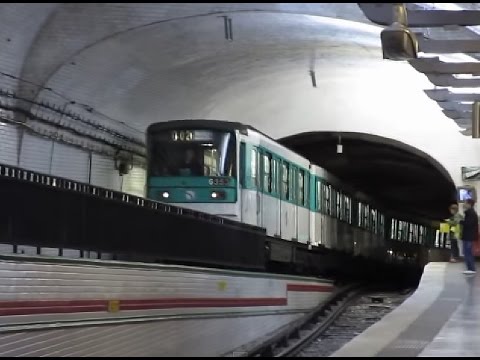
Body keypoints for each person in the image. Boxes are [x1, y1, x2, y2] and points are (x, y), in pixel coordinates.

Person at [460, 199, 479, 274]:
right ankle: (469, 268)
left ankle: (471, 269)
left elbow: (468, 224)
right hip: (468, 236)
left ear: (469, 204)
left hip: (469, 236)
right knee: (467, 252)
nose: (464, 204)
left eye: (465, 203)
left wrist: (461, 221)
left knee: (468, 252)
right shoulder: (469, 213)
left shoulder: (471, 213)